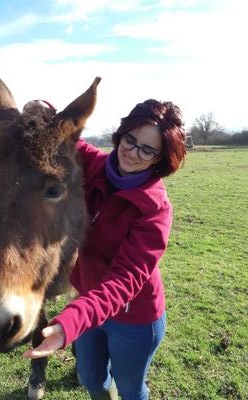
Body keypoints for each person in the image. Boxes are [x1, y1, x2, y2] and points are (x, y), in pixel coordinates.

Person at [23, 99, 187, 400]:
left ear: (159, 159)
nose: (132, 152)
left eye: (147, 149)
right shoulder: (94, 163)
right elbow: (63, 135)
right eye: (130, 139)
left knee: (130, 389)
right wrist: (42, 107)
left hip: (134, 317)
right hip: (89, 306)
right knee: (91, 380)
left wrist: (69, 322)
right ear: (121, 134)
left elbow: (126, 278)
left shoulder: (156, 210)